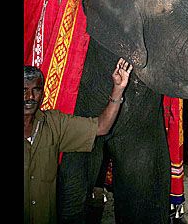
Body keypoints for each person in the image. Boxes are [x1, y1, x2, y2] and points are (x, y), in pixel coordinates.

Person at [24, 58, 133, 224]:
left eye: (36, 90)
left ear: (43, 95)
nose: (30, 97)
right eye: (24, 90)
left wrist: (118, 89)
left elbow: (101, 127)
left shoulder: (54, 123)